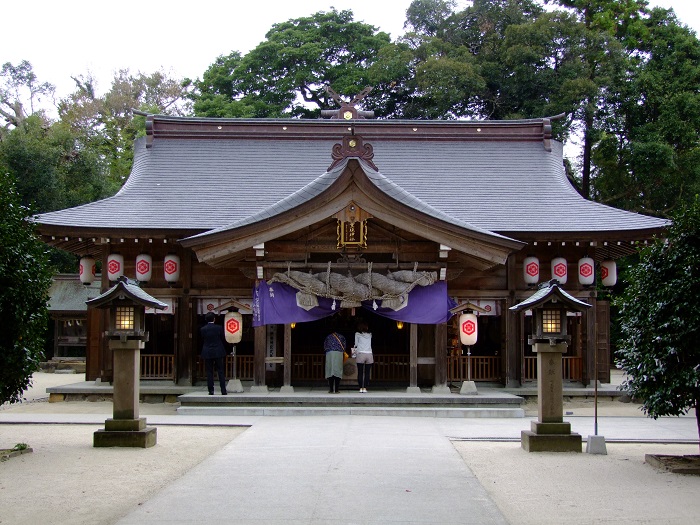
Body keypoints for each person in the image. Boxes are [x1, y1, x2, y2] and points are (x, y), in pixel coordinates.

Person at [200, 312, 228, 395]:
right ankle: (223, 390)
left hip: (207, 350)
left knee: (209, 371)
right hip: (218, 350)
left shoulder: (203, 329)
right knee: (220, 371)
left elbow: (202, 339)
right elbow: (222, 338)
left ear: (206, 319)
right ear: (214, 319)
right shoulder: (219, 328)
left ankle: (211, 390)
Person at [324, 329, 346, 394]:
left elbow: (325, 346)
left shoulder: (328, 337)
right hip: (339, 354)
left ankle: (331, 389)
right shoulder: (342, 337)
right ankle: (336, 389)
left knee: (330, 370)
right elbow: (344, 347)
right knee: (338, 371)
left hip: (329, 354)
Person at [353, 321, 373, 393]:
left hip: (361, 353)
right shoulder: (370, 334)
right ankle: (365, 387)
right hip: (369, 353)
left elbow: (356, 344)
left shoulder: (357, 334)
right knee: (367, 372)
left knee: (360, 372)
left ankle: (360, 387)